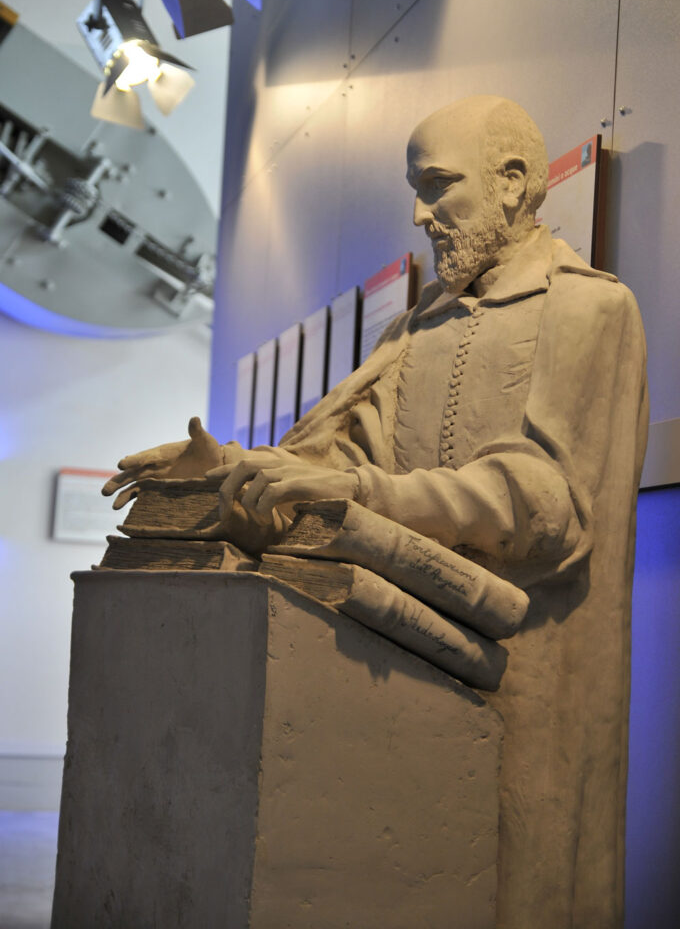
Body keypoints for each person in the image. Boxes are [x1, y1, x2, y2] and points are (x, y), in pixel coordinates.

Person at [103, 96, 648, 928]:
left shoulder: (588, 310)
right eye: (415, 190)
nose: (421, 214)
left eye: (438, 186)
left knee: (518, 893)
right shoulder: (415, 331)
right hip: (407, 680)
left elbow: (549, 508)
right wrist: (227, 473)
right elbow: (337, 469)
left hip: (530, 688)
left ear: (512, 183)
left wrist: (367, 494)